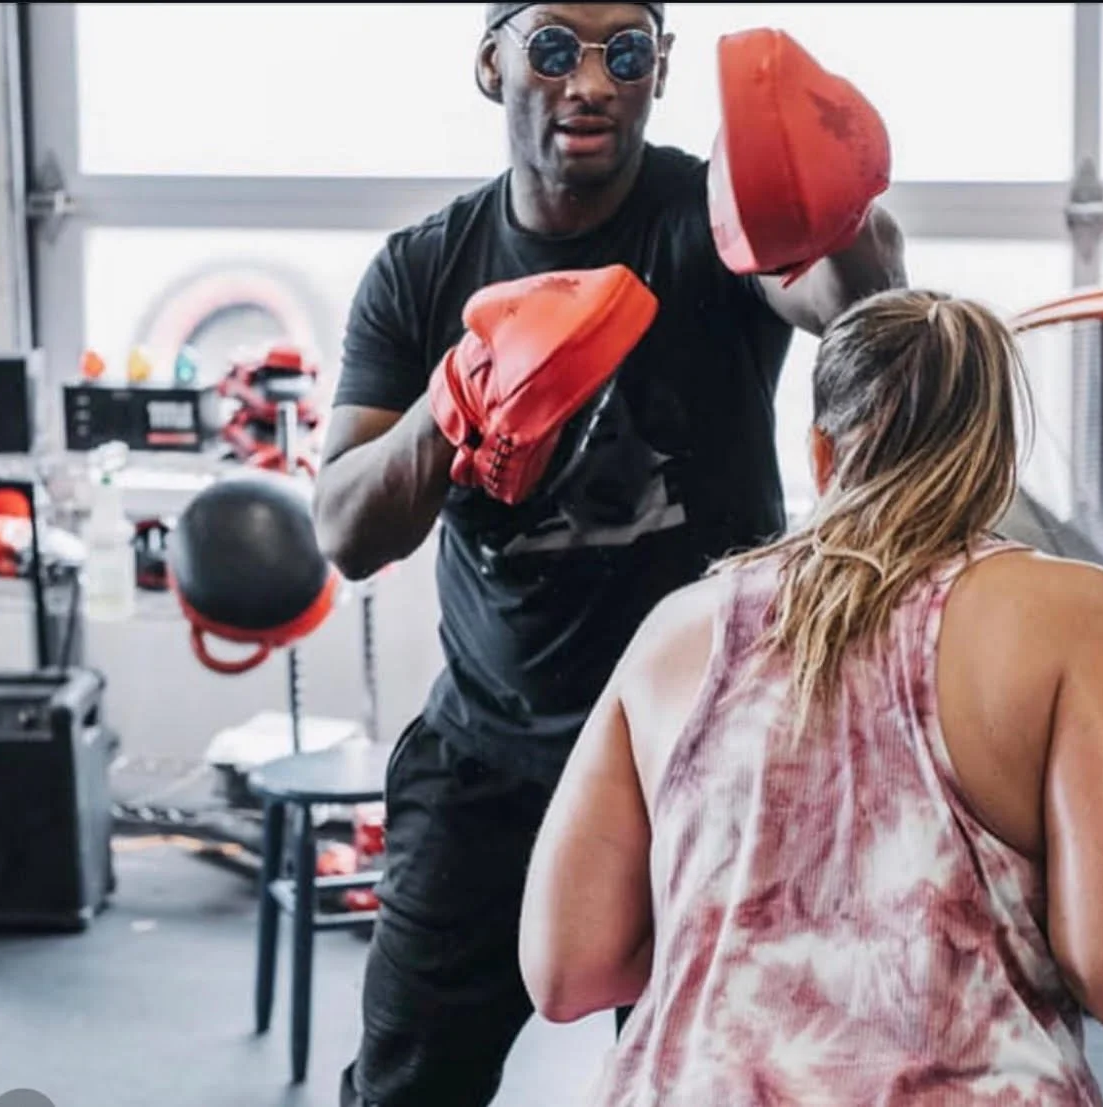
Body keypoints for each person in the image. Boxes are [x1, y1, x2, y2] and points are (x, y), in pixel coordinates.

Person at [313, 5, 906, 1105]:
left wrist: (827, 204)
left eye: (622, 52)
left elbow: (848, 305)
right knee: (405, 1084)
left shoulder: (706, 217)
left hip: (707, 757)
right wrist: (454, 401)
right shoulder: (419, 270)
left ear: (659, 73)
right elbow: (344, 531)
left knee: (715, 1085)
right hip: (488, 752)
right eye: (553, 47)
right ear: (493, 63)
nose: (589, 80)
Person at [518, 288, 1103, 1105]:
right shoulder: (1080, 616)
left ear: (821, 455)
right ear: (997, 461)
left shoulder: (677, 632)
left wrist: (767, 939)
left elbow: (567, 967)